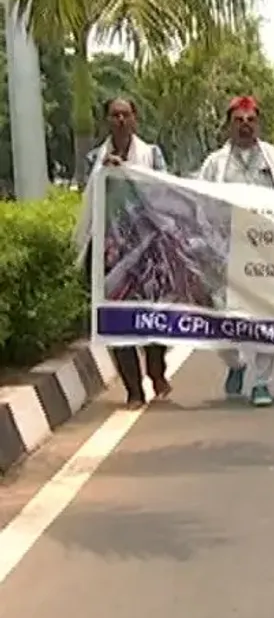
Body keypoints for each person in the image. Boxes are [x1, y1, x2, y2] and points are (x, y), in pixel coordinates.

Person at [197, 96, 274, 407]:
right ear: (228, 125)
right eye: (238, 120)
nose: (245, 125)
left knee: (266, 317)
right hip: (223, 249)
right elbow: (199, 203)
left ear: (259, 124)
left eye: (250, 120)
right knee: (217, 316)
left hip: (265, 251)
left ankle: (262, 383)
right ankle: (236, 364)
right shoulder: (214, 164)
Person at [82, 97, 173, 409]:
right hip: (111, 253)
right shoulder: (95, 158)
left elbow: (163, 191)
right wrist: (103, 175)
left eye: (126, 114)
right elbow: (89, 199)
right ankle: (133, 390)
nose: (120, 120)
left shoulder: (152, 155)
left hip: (149, 249)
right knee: (118, 322)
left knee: (155, 316)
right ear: (107, 120)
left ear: (136, 119)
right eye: (114, 115)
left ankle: (157, 370)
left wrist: (130, 172)